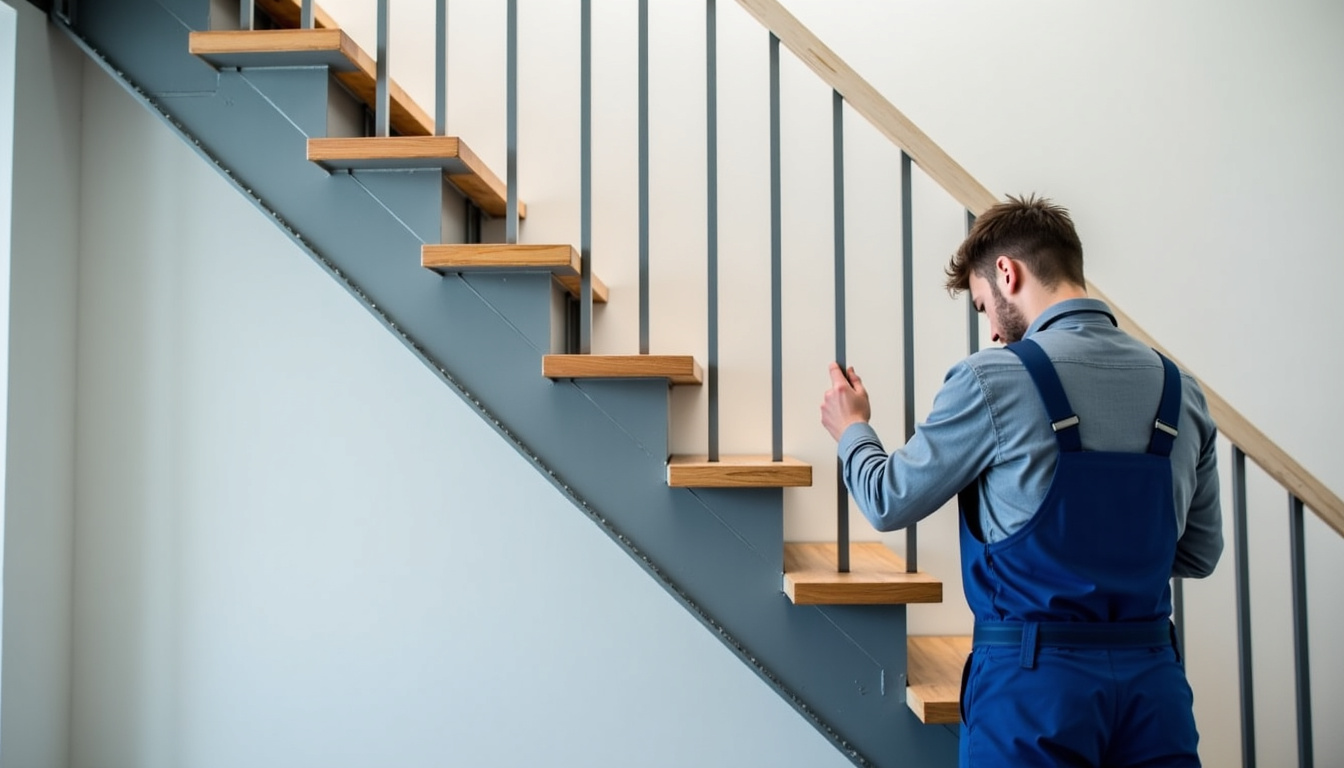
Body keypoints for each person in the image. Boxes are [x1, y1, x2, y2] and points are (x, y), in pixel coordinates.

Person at [819, 195, 1222, 767]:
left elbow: (887, 499)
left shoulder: (992, 381)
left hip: (1034, 688)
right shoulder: (1182, 390)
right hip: (1153, 688)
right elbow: (1200, 553)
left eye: (984, 306)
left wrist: (852, 428)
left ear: (1007, 273)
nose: (992, 332)